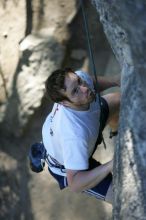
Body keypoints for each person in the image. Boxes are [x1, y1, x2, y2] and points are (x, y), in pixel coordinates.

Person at [42, 67, 120, 204]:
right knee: (122, 196)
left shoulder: (78, 81)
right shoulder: (74, 136)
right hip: (72, 168)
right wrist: (113, 163)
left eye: (79, 81)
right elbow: (75, 183)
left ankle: (117, 130)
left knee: (119, 100)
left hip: (84, 130)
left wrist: (115, 81)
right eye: (75, 91)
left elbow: (90, 82)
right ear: (64, 103)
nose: (84, 89)